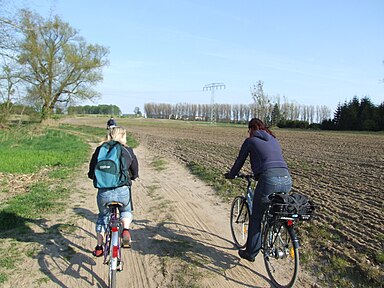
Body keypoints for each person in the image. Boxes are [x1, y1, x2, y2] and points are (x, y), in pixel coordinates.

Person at [225, 118, 292, 262]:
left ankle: (251, 253)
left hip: (268, 179)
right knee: (275, 210)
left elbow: (240, 161)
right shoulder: (274, 139)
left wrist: (231, 175)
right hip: (286, 178)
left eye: (248, 130)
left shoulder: (250, 141)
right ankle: (274, 232)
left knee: (256, 216)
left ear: (251, 129)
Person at [88, 126, 139, 257]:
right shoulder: (127, 150)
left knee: (103, 217)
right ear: (123, 136)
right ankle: (126, 230)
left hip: (104, 192)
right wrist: (133, 176)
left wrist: (94, 177)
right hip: (122, 190)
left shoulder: (100, 149)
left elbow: (92, 170)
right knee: (126, 211)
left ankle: (99, 247)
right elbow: (135, 169)